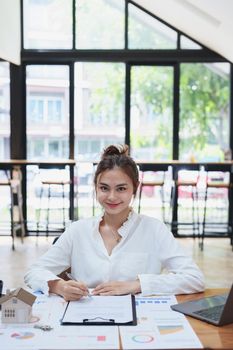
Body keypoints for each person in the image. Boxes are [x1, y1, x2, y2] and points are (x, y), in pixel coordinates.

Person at [25, 145, 205, 301]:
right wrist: (59, 286)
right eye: (104, 188)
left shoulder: (154, 229)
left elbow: (195, 279)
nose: (111, 197)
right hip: (84, 321)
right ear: (95, 187)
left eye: (121, 188)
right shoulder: (77, 231)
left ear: (135, 187)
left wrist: (136, 285)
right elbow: (34, 272)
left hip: (138, 324)